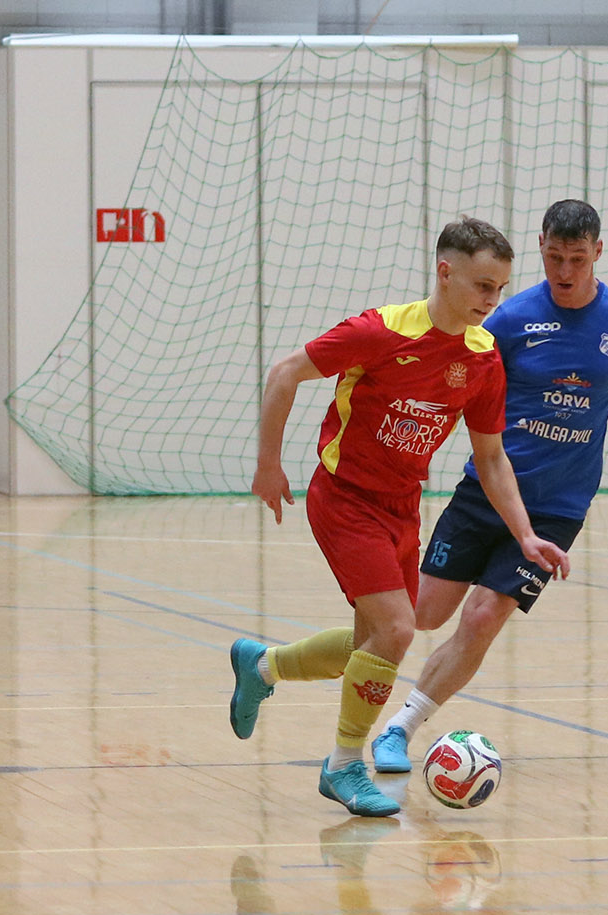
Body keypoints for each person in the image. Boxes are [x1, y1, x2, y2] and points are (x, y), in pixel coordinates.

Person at [232, 216, 570, 818]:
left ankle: (262, 666)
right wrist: (268, 464)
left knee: (375, 642)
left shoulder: (483, 358)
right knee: (396, 631)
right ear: (445, 273)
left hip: (402, 507)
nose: (493, 300)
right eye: (483, 286)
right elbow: (285, 373)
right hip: (344, 497)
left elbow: (492, 458)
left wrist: (524, 534)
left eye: (500, 288)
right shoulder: (380, 330)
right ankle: (343, 766)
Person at [370, 199, 608, 774]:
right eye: (555, 257)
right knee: (419, 615)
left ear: (598, 252)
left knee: (482, 616)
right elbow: (461, 386)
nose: (565, 271)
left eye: (578, 259)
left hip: (557, 507)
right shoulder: (509, 319)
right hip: (486, 492)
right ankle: (298, 661)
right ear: (541, 248)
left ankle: (399, 730)